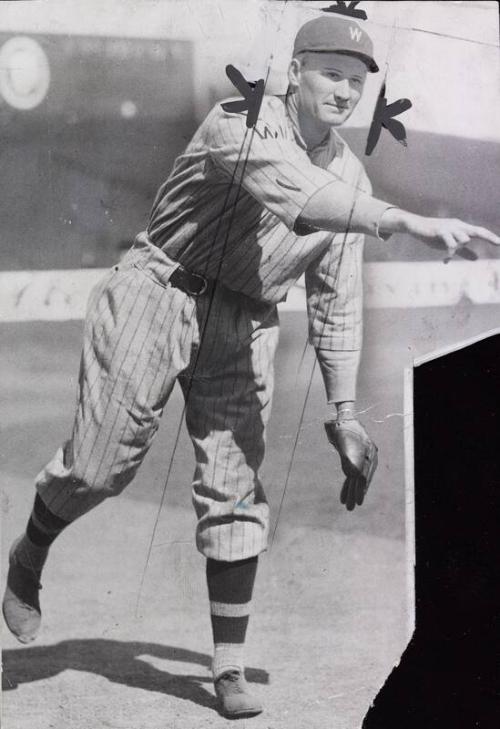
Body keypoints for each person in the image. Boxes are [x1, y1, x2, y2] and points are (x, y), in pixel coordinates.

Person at [3, 14, 499, 720]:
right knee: (97, 467)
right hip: (161, 288)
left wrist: (345, 413)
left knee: (237, 487)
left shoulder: (351, 175)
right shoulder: (243, 115)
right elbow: (299, 194)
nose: (344, 91)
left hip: (245, 321)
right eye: (331, 73)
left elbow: (335, 303)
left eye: (357, 82)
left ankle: (227, 665)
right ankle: (29, 553)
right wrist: (408, 220)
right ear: (294, 71)